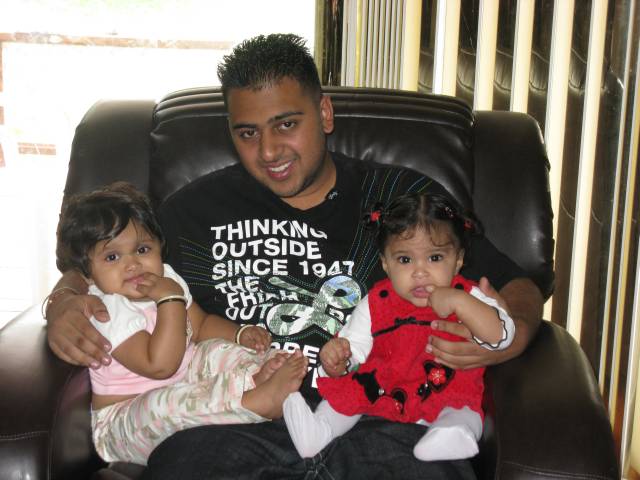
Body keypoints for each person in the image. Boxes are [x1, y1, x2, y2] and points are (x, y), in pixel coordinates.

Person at [45, 34, 544, 479]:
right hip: (228, 426)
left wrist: (510, 338)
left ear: (324, 114)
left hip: (386, 419)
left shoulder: (401, 200)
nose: (268, 151)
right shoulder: (191, 211)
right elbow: (103, 263)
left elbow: (517, 281)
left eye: (285, 124)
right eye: (247, 133)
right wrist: (63, 301)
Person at [54, 181, 308, 465]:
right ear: (88, 274)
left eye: (142, 249)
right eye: (112, 257)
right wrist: (170, 300)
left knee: (213, 349)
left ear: (159, 248)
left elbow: (201, 325)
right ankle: (250, 401)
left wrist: (240, 334)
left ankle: (258, 373)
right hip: (126, 421)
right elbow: (160, 365)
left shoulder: (168, 278)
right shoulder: (106, 308)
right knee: (161, 404)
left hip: (186, 384)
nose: (133, 264)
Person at [284, 191, 515, 462]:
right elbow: (355, 348)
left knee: (461, 409)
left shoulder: (469, 294)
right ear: (386, 263)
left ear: (458, 260)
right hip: (384, 388)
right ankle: (318, 431)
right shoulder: (376, 301)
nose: (420, 272)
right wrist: (338, 360)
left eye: (435, 258)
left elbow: (502, 336)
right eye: (405, 260)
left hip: (443, 385)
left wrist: (460, 302)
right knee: (348, 394)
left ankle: (452, 435)